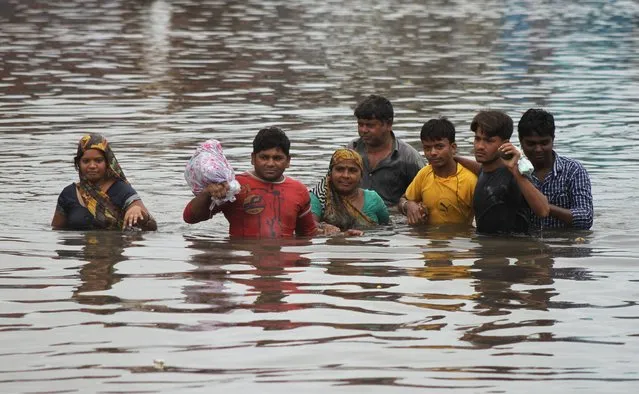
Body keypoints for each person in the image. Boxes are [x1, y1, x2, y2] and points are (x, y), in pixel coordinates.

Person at [183, 126, 317, 238]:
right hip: (243, 266)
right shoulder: (234, 186)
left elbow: (308, 235)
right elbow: (190, 218)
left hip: (284, 266)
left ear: (288, 161)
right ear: (253, 158)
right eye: (264, 157)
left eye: (277, 158)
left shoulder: (299, 190)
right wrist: (207, 193)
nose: (270, 163)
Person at [51, 134, 157, 231]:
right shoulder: (68, 194)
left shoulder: (122, 190)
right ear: (78, 163)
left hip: (112, 249)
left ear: (108, 163)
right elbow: (57, 231)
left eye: (98, 160)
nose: (92, 166)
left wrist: (137, 210)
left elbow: (152, 227)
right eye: (86, 161)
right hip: (81, 250)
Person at [470, 110, 550, 235]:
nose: (480, 146)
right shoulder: (484, 170)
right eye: (477, 139)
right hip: (487, 250)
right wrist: (452, 158)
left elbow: (544, 210)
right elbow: (477, 167)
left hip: (512, 250)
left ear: (505, 144)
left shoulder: (514, 175)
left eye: (488, 141)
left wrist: (515, 171)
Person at [517, 108, 593, 230]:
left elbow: (585, 218)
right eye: (531, 144)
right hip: (529, 242)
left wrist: (542, 205)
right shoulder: (515, 171)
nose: (538, 149)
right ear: (521, 142)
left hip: (565, 244)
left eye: (544, 143)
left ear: (553, 140)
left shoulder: (573, 170)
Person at [348, 94, 425, 207]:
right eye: (360, 124)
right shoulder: (351, 150)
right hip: (355, 216)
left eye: (370, 125)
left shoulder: (408, 157)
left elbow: (426, 192)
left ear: (388, 124)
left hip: (393, 221)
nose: (363, 130)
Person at [398, 117, 477, 226]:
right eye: (427, 148)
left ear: (453, 148)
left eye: (439, 146)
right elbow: (403, 200)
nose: (433, 153)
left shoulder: (470, 180)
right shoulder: (424, 174)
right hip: (428, 240)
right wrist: (409, 206)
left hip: (459, 240)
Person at [309, 148, 390, 235]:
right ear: (330, 173)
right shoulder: (318, 197)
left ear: (361, 175)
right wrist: (324, 227)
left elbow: (387, 227)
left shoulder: (373, 199)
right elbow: (309, 225)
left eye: (352, 170)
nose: (346, 175)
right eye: (340, 169)